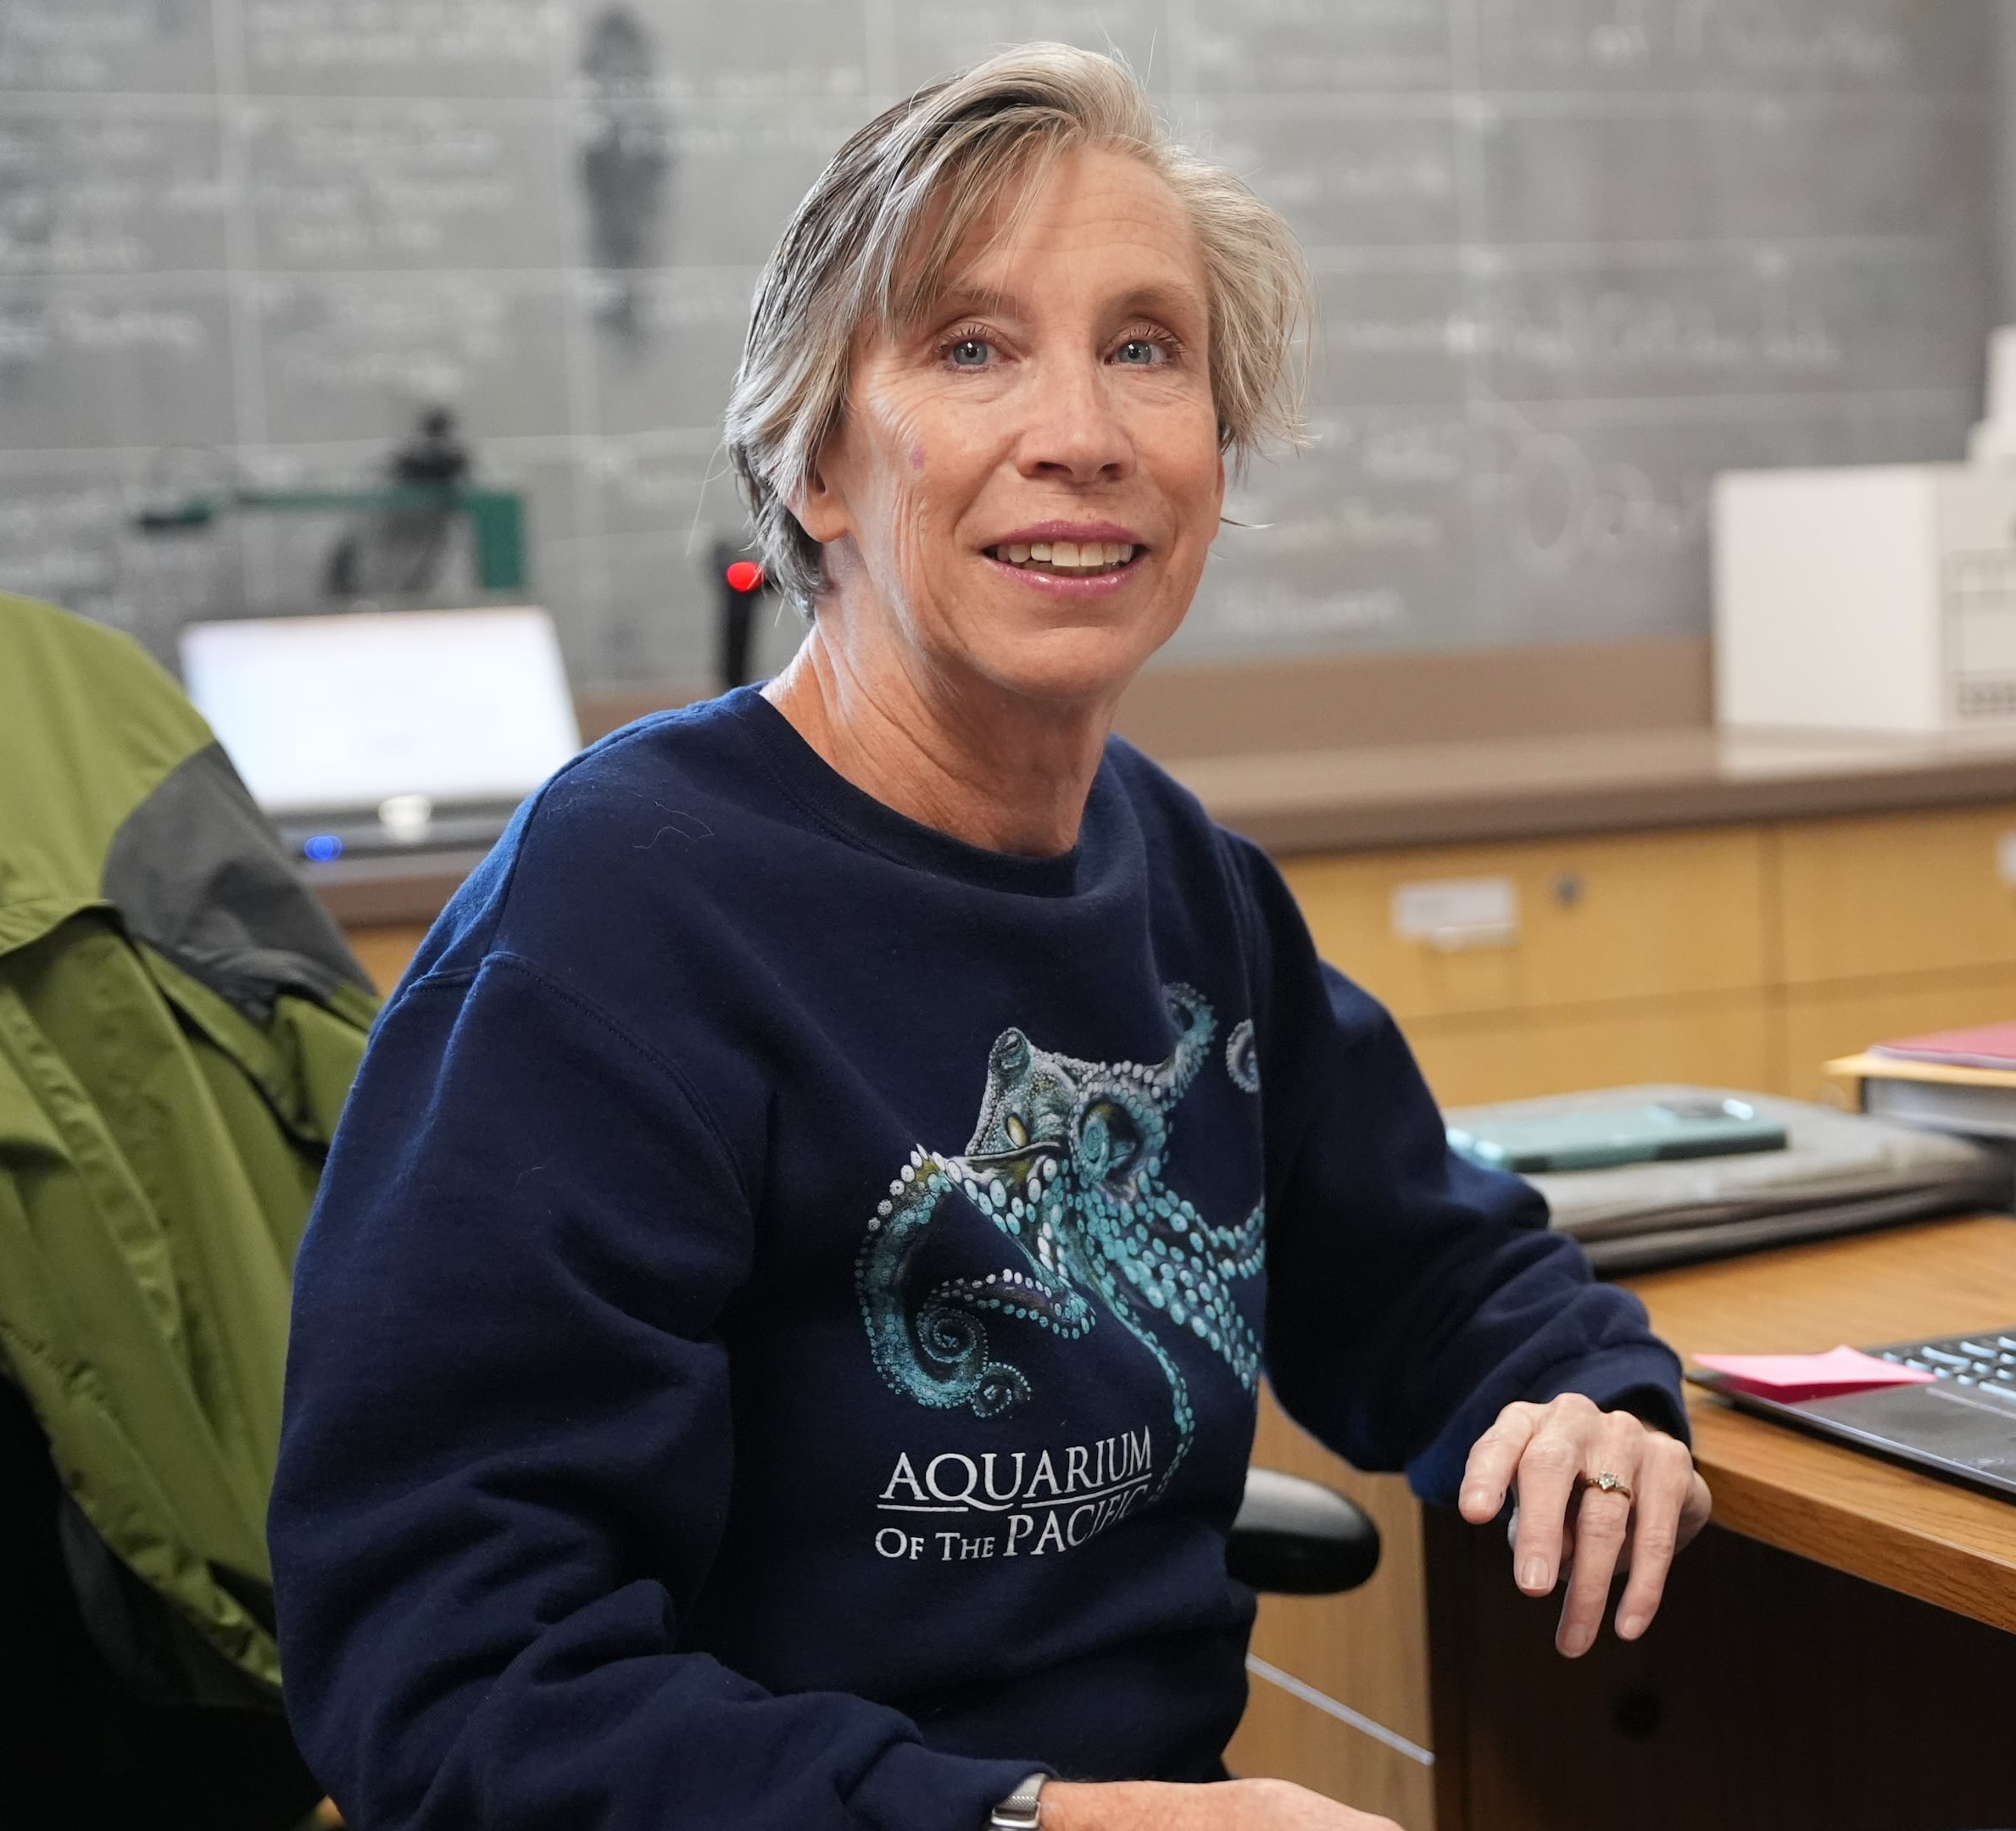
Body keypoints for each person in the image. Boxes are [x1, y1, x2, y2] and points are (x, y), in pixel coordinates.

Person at [269, 45, 1708, 1831]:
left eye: (1144, 348)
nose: (1082, 433)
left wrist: (1582, 1395)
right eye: (969, 347)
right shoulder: (618, 918)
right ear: (816, 466)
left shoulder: (1178, 878)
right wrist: (1035, 1819)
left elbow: (1433, 1268)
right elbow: (447, 1677)